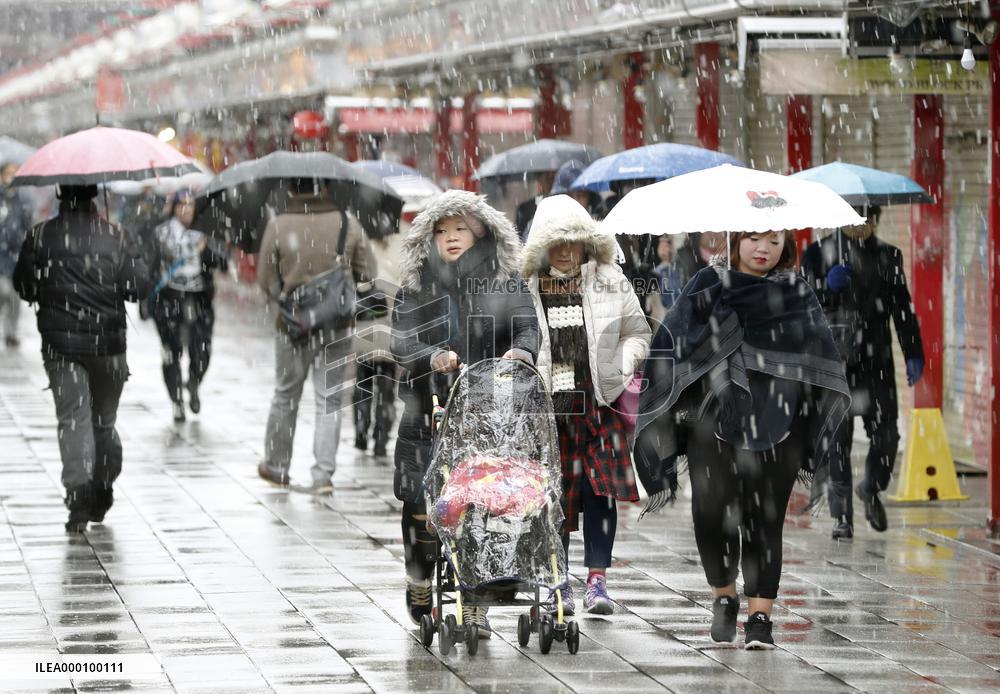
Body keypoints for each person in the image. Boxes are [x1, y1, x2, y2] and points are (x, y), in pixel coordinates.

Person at [634, 231, 849, 649]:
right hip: (713, 421)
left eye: (773, 239)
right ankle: (724, 596)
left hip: (781, 422)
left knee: (765, 519)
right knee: (710, 512)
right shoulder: (709, 285)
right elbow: (672, 344)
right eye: (752, 238)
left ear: (785, 244)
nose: (762, 248)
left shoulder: (796, 293)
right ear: (735, 242)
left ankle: (761, 617)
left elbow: (821, 360)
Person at [391, 190, 538, 637]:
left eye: (459, 228)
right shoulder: (418, 286)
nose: (451, 238)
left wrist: (522, 351)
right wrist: (432, 356)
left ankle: (478, 598)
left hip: (486, 411)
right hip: (427, 408)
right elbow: (400, 341)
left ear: (480, 231)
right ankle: (420, 578)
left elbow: (527, 325)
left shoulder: (503, 280)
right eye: (441, 230)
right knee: (421, 506)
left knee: (482, 504)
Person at [521, 195, 650, 615]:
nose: (564, 251)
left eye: (573, 241)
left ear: (587, 243)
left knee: (600, 493)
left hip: (600, 402)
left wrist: (622, 364)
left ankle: (597, 581)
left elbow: (638, 332)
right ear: (541, 247)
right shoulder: (526, 288)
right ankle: (557, 579)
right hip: (548, 411)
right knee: (553, 496)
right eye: (555, 243)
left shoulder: (611, 279)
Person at [13, 184, 154, 532]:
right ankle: (102, 485)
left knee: (73, 419)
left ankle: (78, 495)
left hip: (61, 348)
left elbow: (25, 287)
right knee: (103, 423)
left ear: (61, 197)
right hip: (108, 348)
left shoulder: (40, 236)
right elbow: (138, 288)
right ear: (94, 198)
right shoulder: (115, 236)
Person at [800, 205, 924, 538]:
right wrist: (827, 287)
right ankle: (843, 517)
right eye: (854, 219)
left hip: (877, 363)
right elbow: (800, 303)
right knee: (837, 442)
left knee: (887, 437)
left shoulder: (889, 255)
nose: (861, 227)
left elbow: (902, 307)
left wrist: (914, 352)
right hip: (833, 362)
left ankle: (870, 487)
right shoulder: (815, 254)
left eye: (868, 220)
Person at [257, 179, 375, 493]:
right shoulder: (347, 223)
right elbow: (368, 274)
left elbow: (266, 281)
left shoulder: (279, 225)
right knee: (330, 400)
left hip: (293, 327)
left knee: (285, 396)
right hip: (336, 324)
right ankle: (322, 475)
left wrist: (291, 293)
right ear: (324, 187)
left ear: (292, 191)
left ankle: (277, 466)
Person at [149, 190, 228, 422]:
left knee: (202, 350)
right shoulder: (161, 233)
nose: (186, 209)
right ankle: (176, 401)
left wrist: (207, 250)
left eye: (190, 205)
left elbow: (222, 263)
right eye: (182, 204)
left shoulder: (204, 232)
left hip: (199, 301)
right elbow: (149, 266)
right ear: (174, 207)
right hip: (168, 301)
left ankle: (193, 382)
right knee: (171, 353)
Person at [352, 221, 405, 459]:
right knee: (386, 388)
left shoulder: (362, 242)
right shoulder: (403, 245)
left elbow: (356, 282)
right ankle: (381, 439)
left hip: (364, 327)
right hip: (390, 329)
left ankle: (361, 433)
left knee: (362, 383)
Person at [0, 162, 31, 347]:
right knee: (2, 292)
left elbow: (26, 225)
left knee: (14, 297)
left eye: (14, 173)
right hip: (0, 256)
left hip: (15, 257)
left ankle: (11, 332)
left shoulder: (21, 200)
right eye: (8, 173)